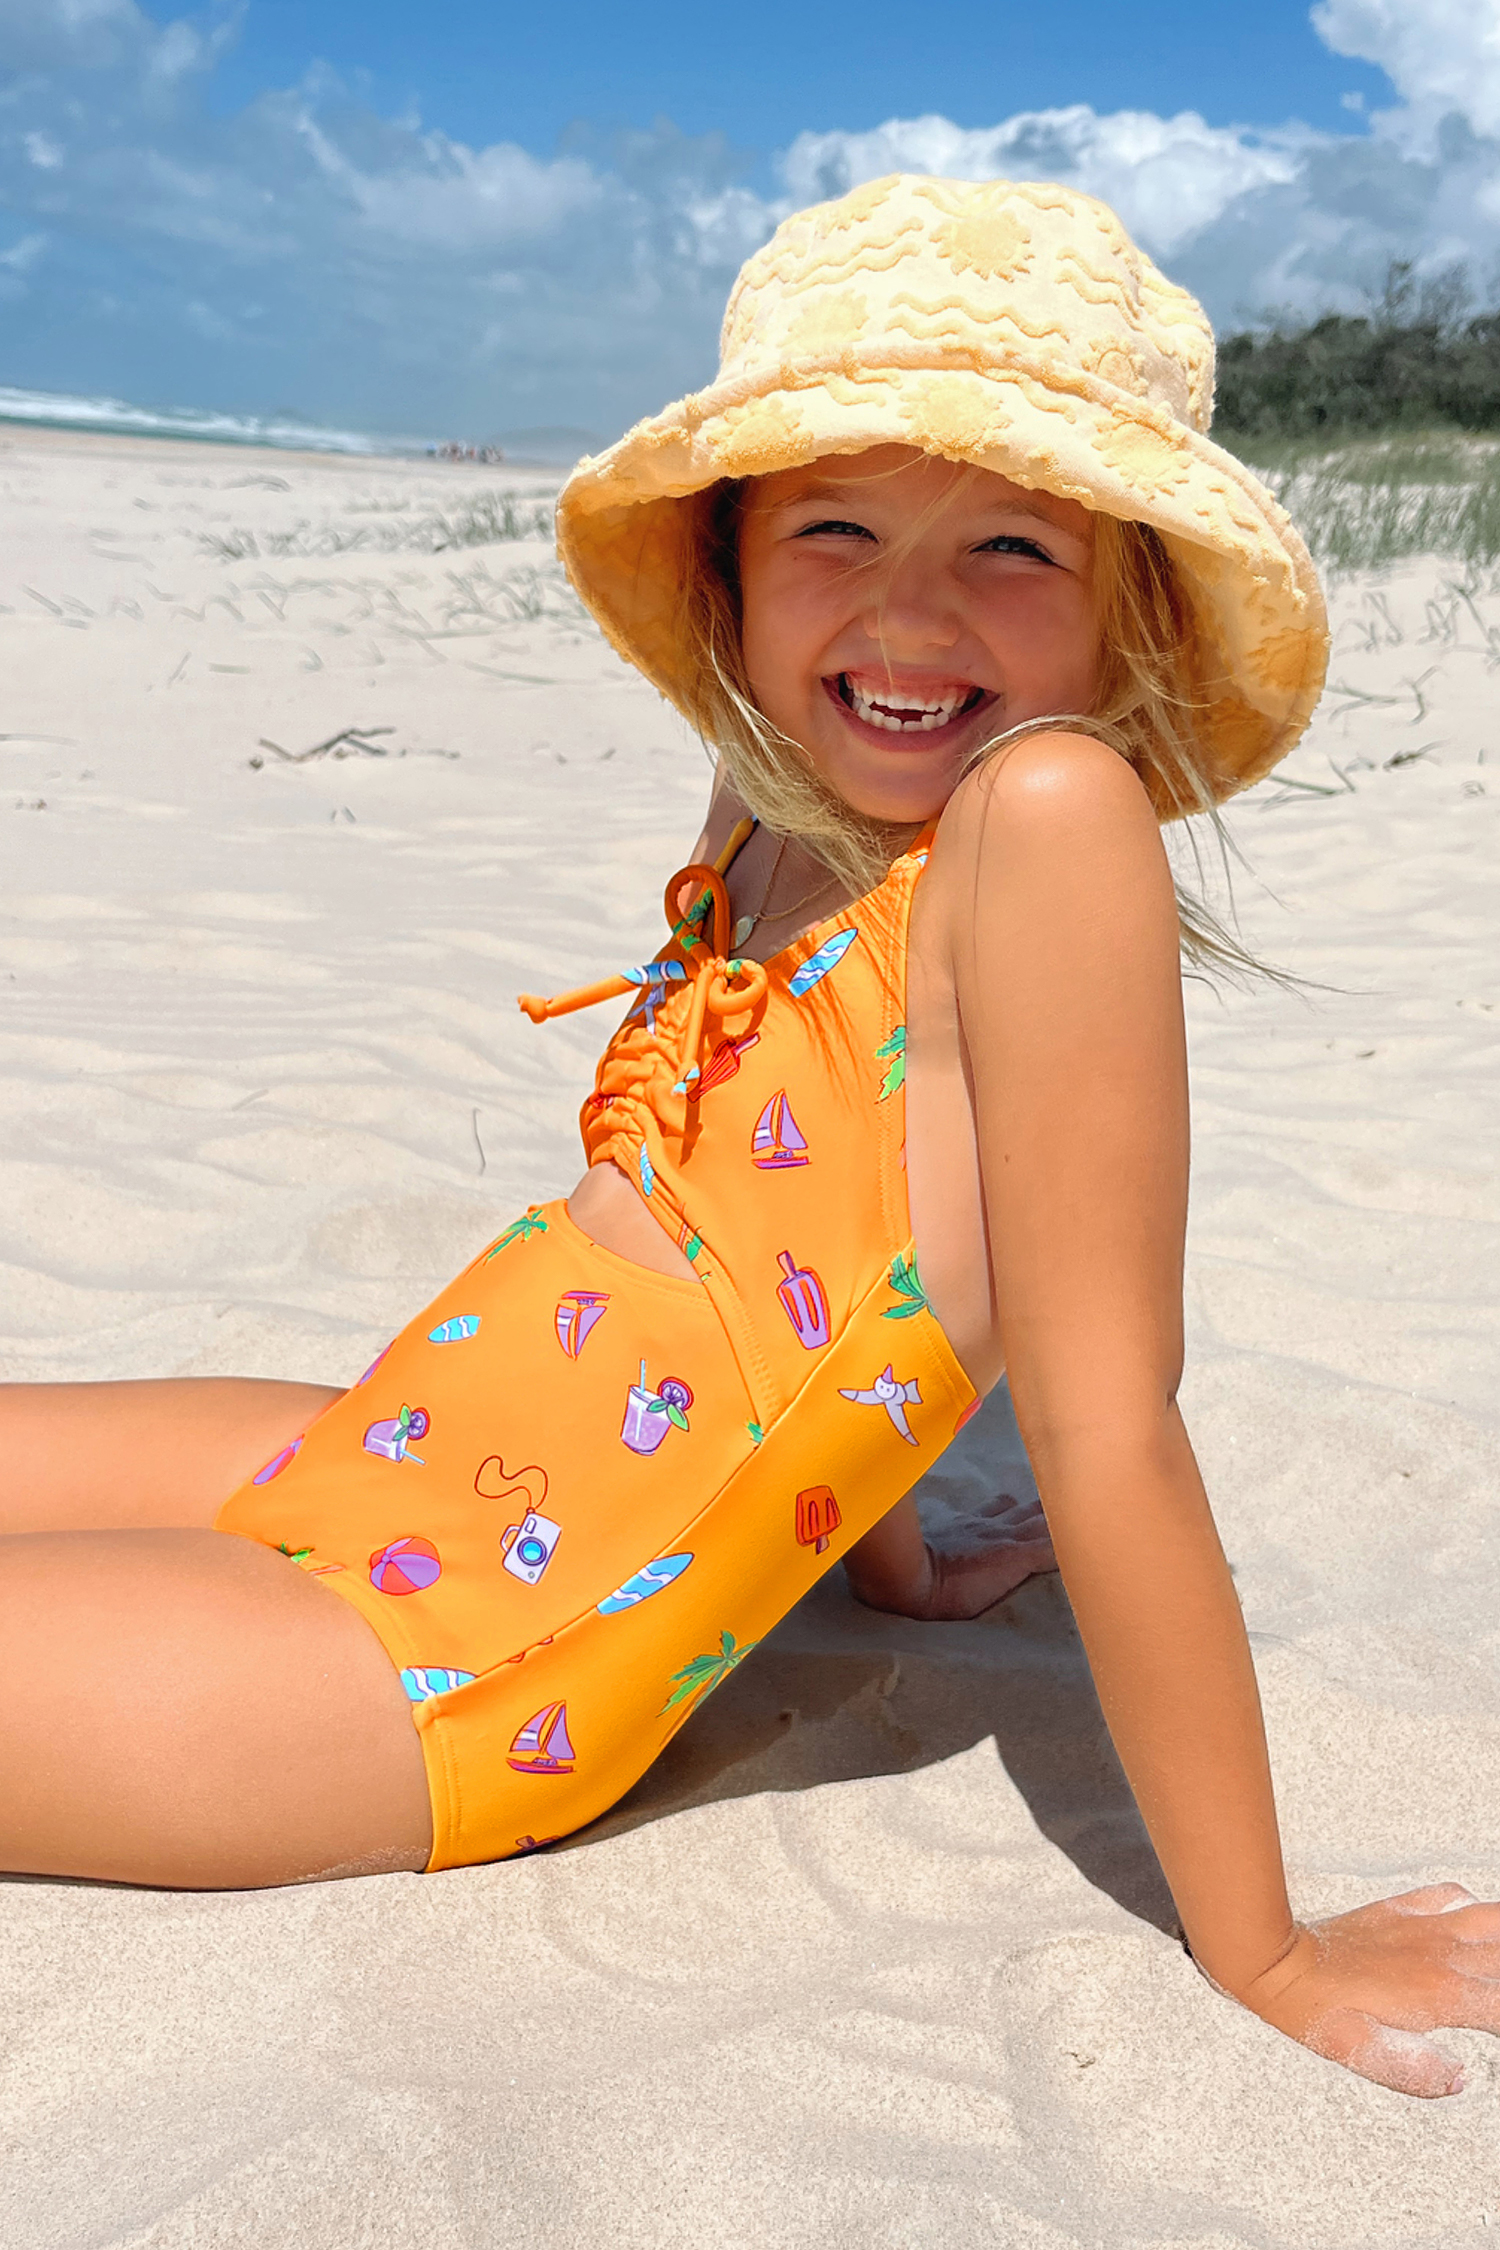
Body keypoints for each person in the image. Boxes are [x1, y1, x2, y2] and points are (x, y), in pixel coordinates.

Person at [3, 175, 1495, 2098]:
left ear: (1124, 590)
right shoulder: (776, 786)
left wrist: (1269, 1943)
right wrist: (895, 1552)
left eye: (1013, 545)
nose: (910, 612)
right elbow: (834, 1254)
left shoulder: (1047, 821)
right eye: (837, 526)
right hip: (409, 1427)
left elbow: (1110, 1416)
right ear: (731, 557)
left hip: (463, 1643)